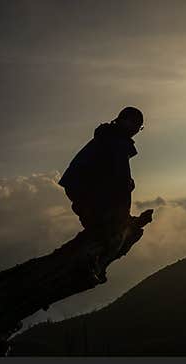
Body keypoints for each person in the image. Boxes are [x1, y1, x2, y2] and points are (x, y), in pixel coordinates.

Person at [59, 107, 144, 283]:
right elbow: (122, 183)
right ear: (126, 121)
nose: (137, 130)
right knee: (107, 228)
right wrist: (124, 215)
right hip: (86, 188)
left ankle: (90, 264)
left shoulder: (109, 137)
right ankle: (89, 266)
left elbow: (119, 180)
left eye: (140, 127)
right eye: (137, 125)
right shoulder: (117, 142)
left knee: (99, 226)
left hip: (79, 185)